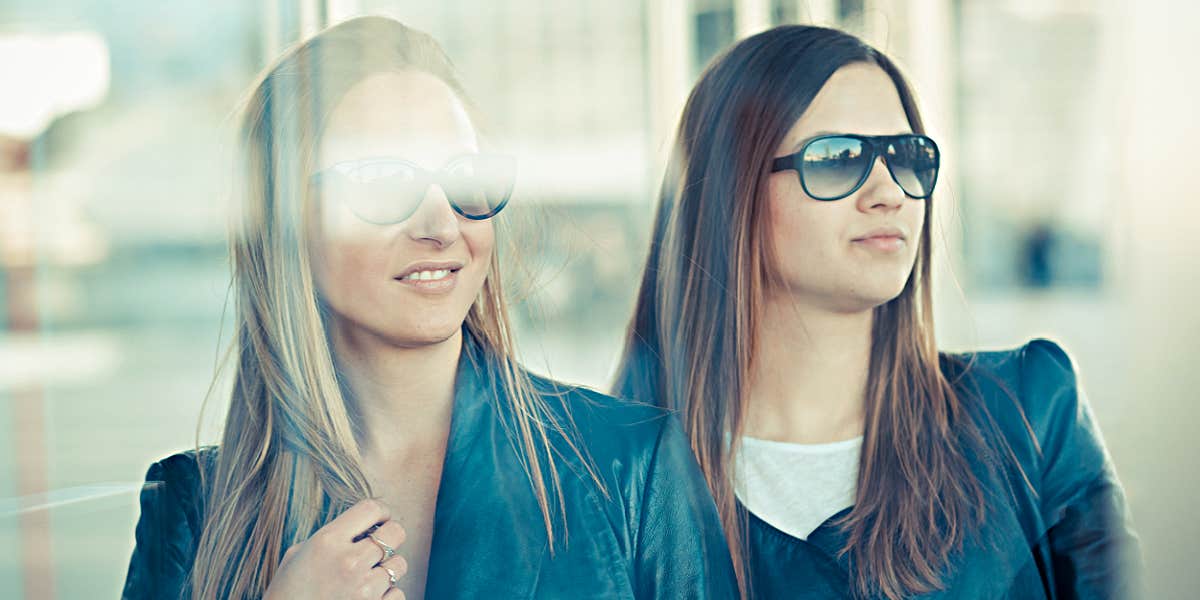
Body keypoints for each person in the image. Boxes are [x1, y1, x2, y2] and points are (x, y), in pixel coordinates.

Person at [121, 16, 735, 600]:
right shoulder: (194, 510)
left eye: (464, 178)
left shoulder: (631, 467)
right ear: (285, 223)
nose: (442, 225)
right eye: (386, 180)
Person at [613, 24, 1140, 599]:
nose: (890, 192)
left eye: (908, 157)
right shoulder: (626, 483)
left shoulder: (1029, 412)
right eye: (839, 159)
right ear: (729, 194)